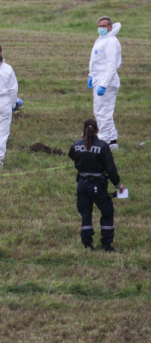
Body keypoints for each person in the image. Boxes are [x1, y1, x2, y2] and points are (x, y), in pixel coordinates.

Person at [69, 119, 125, 252]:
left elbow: (72, 155)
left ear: (83, 131)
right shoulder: (103, 147)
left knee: (85, 214)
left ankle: (87, 243)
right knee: (107, 212)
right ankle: (106, 244)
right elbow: (111, 169)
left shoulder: (76, 145)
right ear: (97, 130)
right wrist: (118, 185)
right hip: (98, 186)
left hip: (82, 184)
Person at [88, 16, 122, 149]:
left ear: (110, 27)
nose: (101, 28)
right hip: (99, 79)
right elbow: (97, 61)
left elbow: (111, 66)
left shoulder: (111, 42)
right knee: (102, 111)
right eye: (100, 26)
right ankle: (112, 141)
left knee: (103, 113)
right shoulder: (102, 40)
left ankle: (104, 142)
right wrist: (91, 75)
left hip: (106, 81)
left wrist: (103, 84)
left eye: (104, 26)